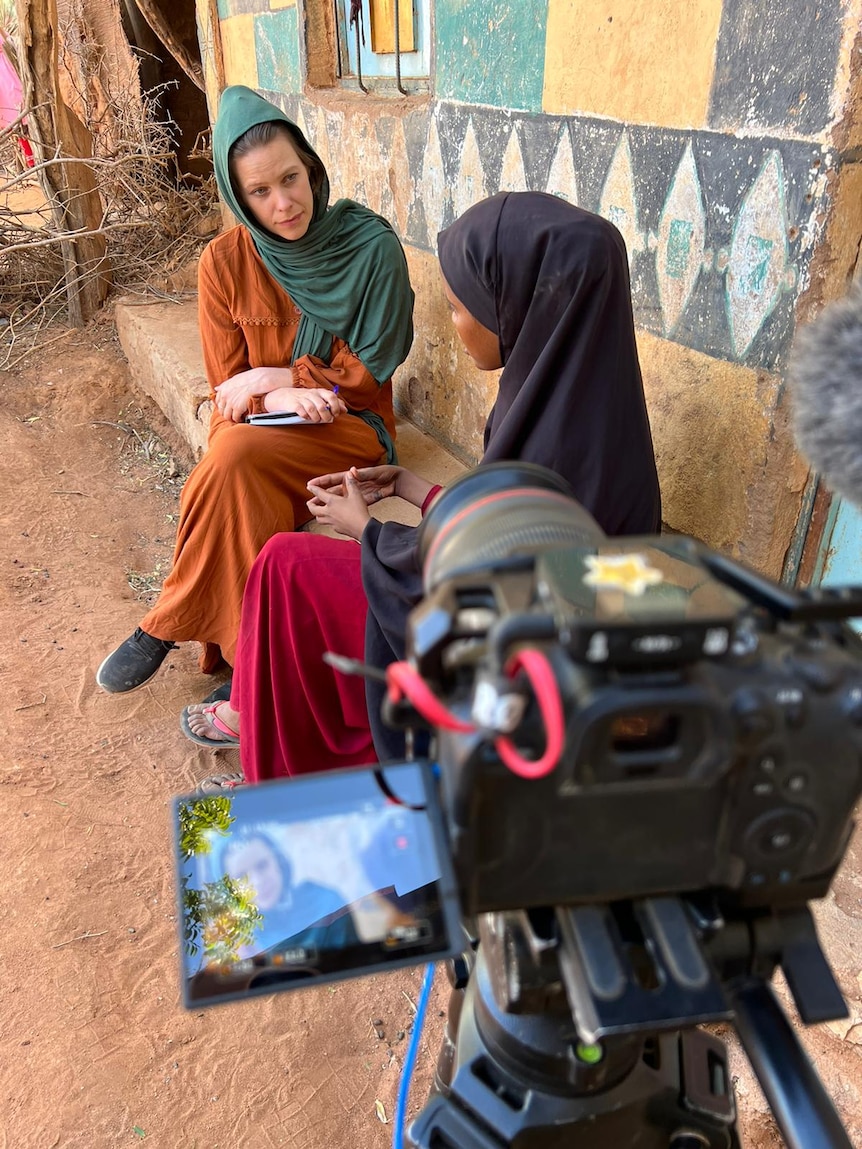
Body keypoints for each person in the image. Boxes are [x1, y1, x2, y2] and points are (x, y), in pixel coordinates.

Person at [182, 190, 662, 785]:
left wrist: (371, 532)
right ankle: (262, 738)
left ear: (523, 307)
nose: (456, 325)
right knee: (291, 566)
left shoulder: (560, 439)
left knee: (286, 564)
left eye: (464, 307)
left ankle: (278, 771)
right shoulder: (584, 402)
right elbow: (514, 534)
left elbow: (490, 590)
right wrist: (418, 489)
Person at [96, 85, 413, 694]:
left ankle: (167, 620)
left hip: (351, 427)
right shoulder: (222, 264)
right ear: (238, 197)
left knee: (230, 458)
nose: (284, 204)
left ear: (312, 169)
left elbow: (365, 376)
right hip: (261, 430)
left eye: (291, 179)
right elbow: (227, 393)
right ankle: (251, 662)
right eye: (259, 192)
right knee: (233, 459)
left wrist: (278, 379)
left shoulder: (371, 249)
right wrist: (277, 398)